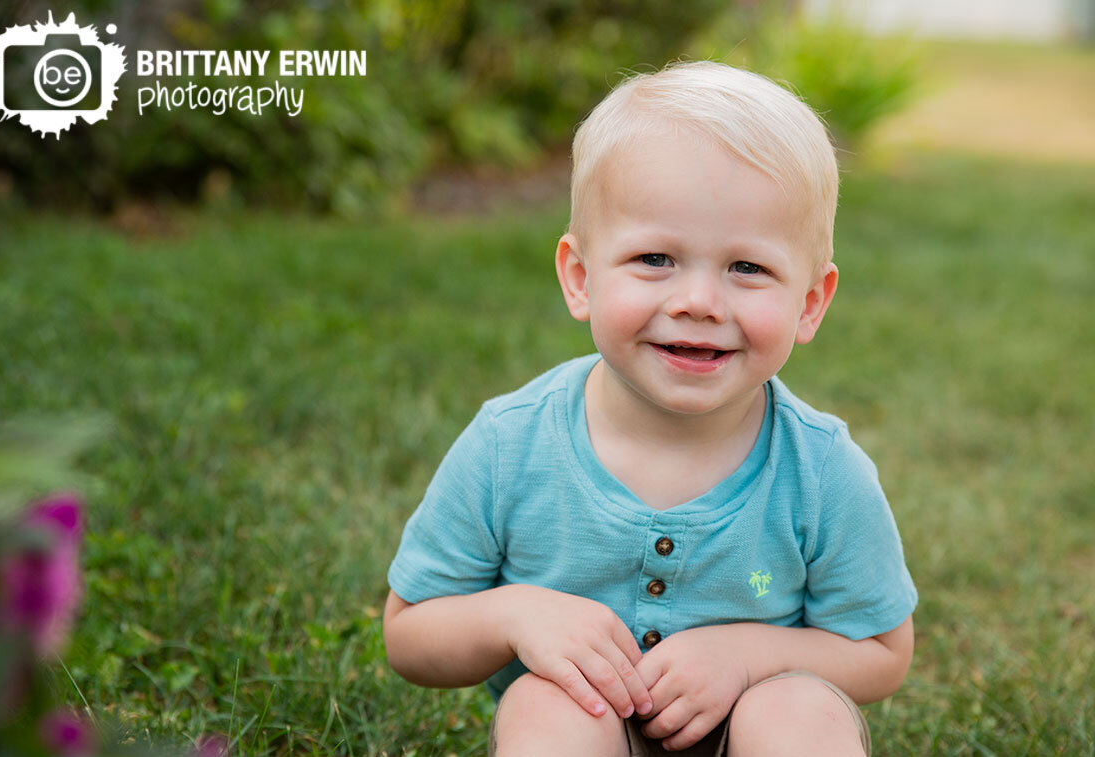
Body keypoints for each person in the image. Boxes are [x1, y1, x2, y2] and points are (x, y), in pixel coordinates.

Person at [382, 60, 917, 756]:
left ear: (809, 302)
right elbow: (410, 632)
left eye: (747, 268)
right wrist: (513, 614)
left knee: (799, 711)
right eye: (656, 257)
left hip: (750, 730)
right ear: (580, 277)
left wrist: (749, 656)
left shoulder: (821, 470)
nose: (699, 300)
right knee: (547, 705)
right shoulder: (510, 444)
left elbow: (880, 649)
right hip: (586, 722)